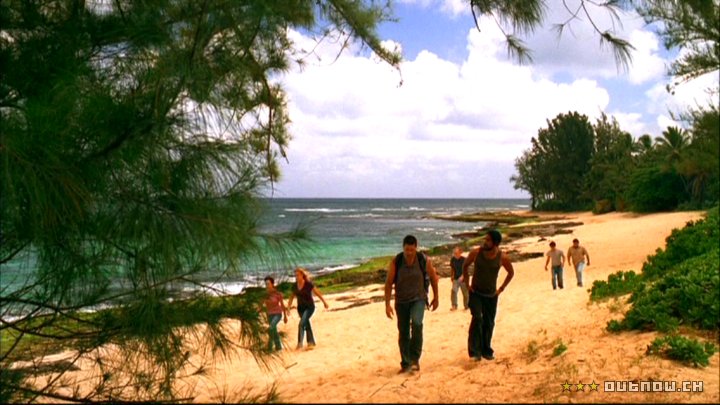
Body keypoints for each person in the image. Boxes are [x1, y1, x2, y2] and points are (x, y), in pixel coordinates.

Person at [385, 235, 439, 373]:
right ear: (403, 248)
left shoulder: (423, 260)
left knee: (417, 323)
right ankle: (406, 363)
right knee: (403, 332)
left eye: (411, 250)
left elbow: (433, 278)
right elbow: (389, 283)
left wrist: (436, 297)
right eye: (406, 250)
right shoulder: (396, 261)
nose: (409, 253)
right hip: (401, 301)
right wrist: (387, 304)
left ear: (416, 248)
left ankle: (415, 359)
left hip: (418, 299)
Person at [462, 230, 514, 361]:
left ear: (495, 243)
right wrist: (467, 284)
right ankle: (474, 352)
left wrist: (501, 289)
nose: (485, 242)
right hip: (476, 293)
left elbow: (511, 273)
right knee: (477, 318)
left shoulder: (502, 257)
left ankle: (486, 350)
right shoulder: (476, 253)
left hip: (491, 295)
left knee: (489, 323)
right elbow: (465, 266)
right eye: (485, 239)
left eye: (488, 240)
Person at [287, 267, 329, 349]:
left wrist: (324, 302)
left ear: (302, 275)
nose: (296, 277)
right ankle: (311, 342)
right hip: (300, 309)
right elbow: (291, 297)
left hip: (309, 307)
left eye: (298, 275)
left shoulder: (308, 284)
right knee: (306, 323)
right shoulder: (294, 286)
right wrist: (288, 308)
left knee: (302, 323)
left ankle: (299, 343)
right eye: (295, 275)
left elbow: (317, 293)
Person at [263, 276, 289, 351]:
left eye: (268, 283)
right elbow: (260, 305)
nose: (267, 285)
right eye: (266, 284)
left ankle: (269, 346)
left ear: (272, 284)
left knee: (271, 327)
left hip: (277, 313)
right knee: (274, 330)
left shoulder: (277, 294)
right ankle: (278, 347)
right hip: (269, 314)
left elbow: (282, 305)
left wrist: (285, 316)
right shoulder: (265, 295)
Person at [450, 246, 469, 311]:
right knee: (454, 291)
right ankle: (454, 305)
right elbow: (452, 268)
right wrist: (452, 276)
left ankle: (467, 306)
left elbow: (466, 269)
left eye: (456, 253)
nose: (455, 254)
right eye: (454, 253)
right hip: (455, 278)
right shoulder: (453, 259)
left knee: (465, 293)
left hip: (463, 279)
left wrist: (463, 276)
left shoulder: (464, 259)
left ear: (460, 253)